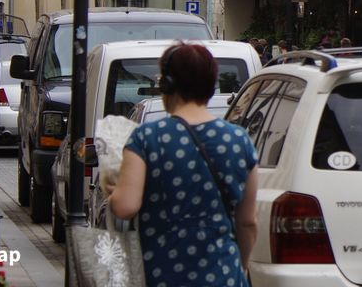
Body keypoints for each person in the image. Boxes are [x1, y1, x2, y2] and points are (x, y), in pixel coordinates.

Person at [108, 42, 259, 286]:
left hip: (162, 275)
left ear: (167, 85)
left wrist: (113, 192)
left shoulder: (147, 138)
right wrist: (240, 265)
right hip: (223, 274)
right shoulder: (239, 139)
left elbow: (125, 207)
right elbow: (248, 221)